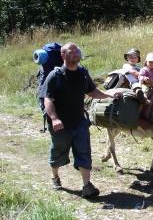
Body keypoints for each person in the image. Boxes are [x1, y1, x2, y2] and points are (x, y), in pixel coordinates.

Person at [43, 42, 122, 198]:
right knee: (58, 151)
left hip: (79, 121)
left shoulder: (83, 73)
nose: (75, 54)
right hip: (60, 123)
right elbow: (48, 99)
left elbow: (92, 91)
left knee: (84, 152)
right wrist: (54, 118)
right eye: (71, 52)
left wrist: (109, 95)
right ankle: (55, 177)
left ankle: (87, 186)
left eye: (77, 51)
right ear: (63, 55)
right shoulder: (55, 75)